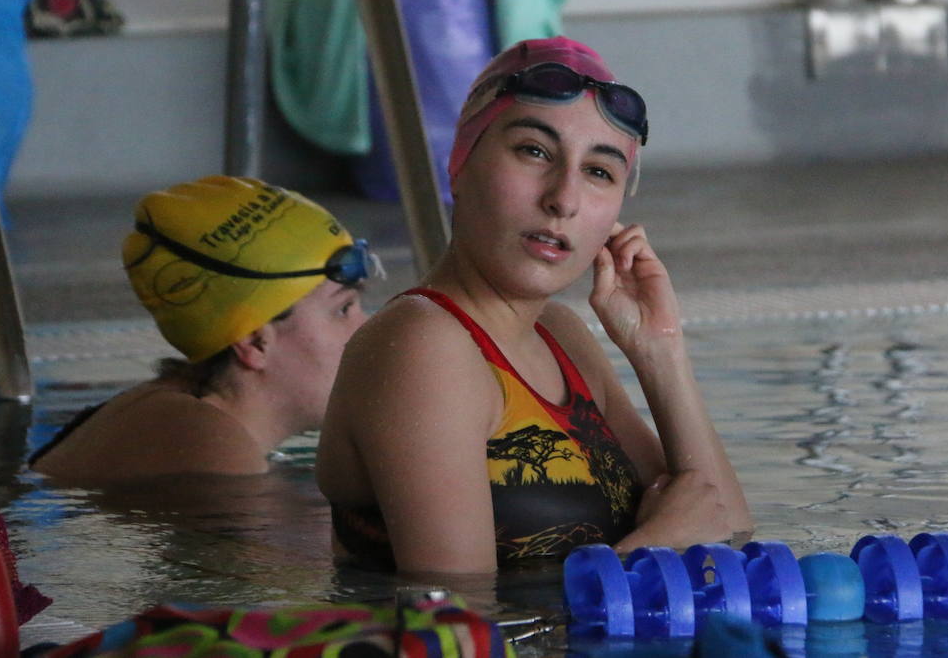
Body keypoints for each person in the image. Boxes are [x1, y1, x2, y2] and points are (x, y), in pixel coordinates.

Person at [317, 36, 752, 575]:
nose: (563, 199)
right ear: (460, 161)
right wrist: (652, 550)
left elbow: (727, 541)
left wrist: (660, 352)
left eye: (599, 171)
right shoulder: (422, 347)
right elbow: (462, 623)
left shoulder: (559, 335)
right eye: (534, 151)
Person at [31, 176, 373, 484]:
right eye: (343, 309)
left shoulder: (180, 413)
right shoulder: (213, 451)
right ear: (255, 343)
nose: (368, 328)